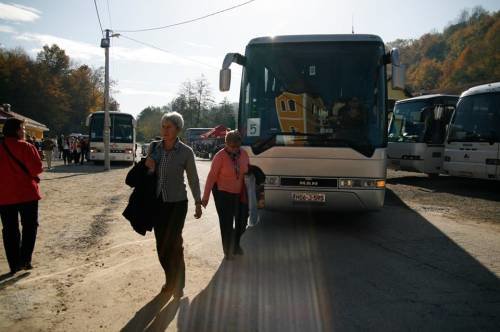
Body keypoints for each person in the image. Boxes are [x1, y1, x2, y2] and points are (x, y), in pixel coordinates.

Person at [145, 111, 203, 299]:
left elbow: (193, 178)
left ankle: (177, 285)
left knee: (174, 243)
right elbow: (146, 176)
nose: (164, 130)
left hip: (178, 203)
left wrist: (197, 202)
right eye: (163, 126)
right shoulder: (154, 148)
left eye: (168, 126)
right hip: (158, 203)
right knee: (161, 245)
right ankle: (170, 279)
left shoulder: (186, 151)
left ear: (178, 128)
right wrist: (149, 168)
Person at [0, 118, 43, 275]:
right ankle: (25, 260)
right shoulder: (26, 147)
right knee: (30, 226)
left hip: (4, 195)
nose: (24, 131)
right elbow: (36, 169)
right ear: (18, 130)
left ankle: (13, 264)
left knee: (9, 229)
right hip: (27, 194)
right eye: (23, 129)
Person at [202, 130, 250, 260]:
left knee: (243, 222)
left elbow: (248, 172)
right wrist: (205, 197)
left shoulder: (244, 154)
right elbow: (211, 177)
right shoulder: (220, 156)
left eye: (237, 146)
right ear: (226, 144)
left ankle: (235, 244)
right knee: (226, 223)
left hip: (240, 193)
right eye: (231, 146)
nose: (234, 149)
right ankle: (228, 251)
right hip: (222, 193)